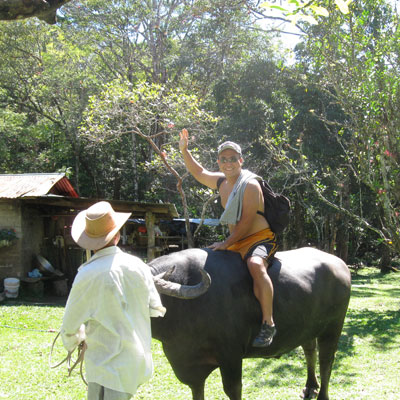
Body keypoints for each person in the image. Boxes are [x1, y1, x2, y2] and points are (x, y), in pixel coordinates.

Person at [179, 129, 277, 347]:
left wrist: (226, 243)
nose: (228, 163)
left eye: (233, 159)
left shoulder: (250, 184)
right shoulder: (222, 182)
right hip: (237, 240)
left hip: (259, 239)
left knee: (255, 265)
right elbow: (200, 172)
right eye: (224, 159)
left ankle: (268, 323)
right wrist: (185, 151)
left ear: (240, 160)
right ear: (219, 162)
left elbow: (246, 223)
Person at [61, 201, 166, 400]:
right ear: (117, 236)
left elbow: (69, 326)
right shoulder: (139, 266)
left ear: (87, 242)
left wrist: (75, 339)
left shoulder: (87, 274)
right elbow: (155, 309)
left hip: (105, 365)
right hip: (134, 363)